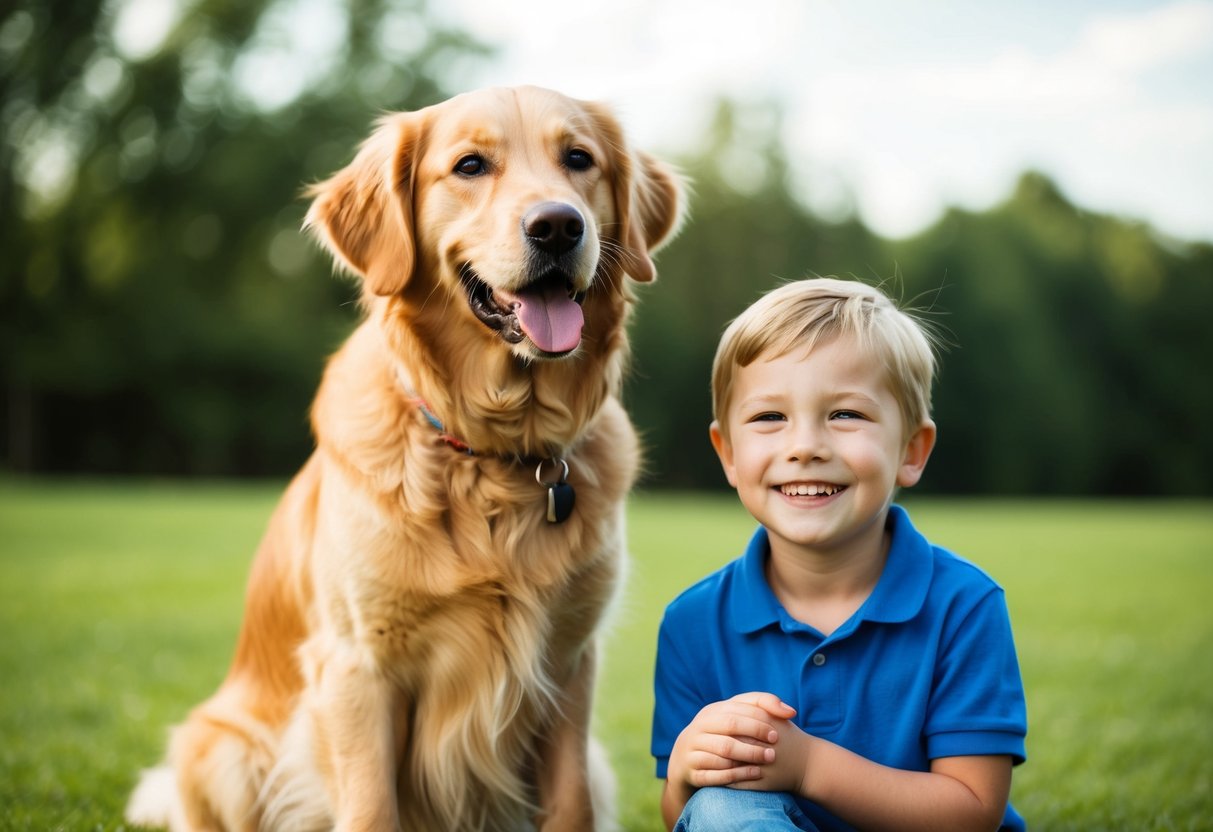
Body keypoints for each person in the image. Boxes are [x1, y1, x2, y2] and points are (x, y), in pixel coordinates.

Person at [651, 277, 1027, 831]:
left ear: (911, 451)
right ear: (728, 453)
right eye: (769, 418)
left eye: (845, 414)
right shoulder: (692, 623)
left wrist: (808, 767)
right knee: (720, 805)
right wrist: (685, 773)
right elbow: (690, 817)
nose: (805, 446)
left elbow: (973, 812)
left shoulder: (963, 606)